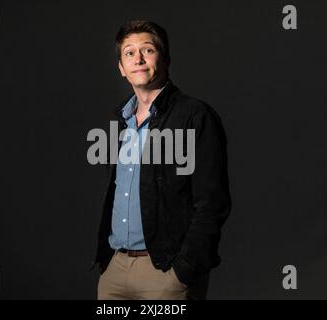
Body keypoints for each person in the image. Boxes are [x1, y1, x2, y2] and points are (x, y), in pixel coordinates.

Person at [91, 20, 231, 300]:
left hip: (165, 273)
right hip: (115, 273)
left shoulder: (194, 116)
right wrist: (107, 266)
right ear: (121, 68)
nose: (138, 59)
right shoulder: (120, 123)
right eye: (129, 53)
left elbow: (212, 203)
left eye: (148, 50)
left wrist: (183, 270)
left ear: (165, 59)